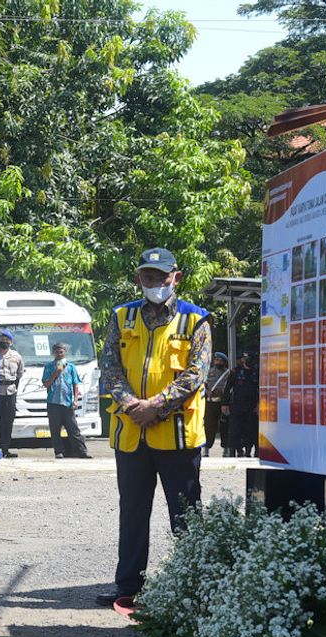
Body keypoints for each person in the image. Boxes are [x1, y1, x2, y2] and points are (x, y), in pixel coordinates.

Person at [95, 247, 211, 607]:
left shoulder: (197, 320)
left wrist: (156, 406)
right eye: (148, 276)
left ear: (175, 277)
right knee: (133, 513)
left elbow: (197, 373)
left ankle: (195, 590)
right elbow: (110, 366)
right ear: (138, 279)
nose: (155, 282)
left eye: (161, 276)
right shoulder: (121, 316)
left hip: (177, 437)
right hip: (131, 434)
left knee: (186, 515)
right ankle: (128, 587)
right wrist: (133, 405)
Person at [42, 342, 91, 459]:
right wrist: (56, 373)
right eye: (57, 352)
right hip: (53, 402)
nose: (59, 354)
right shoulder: (49, 366)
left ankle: (82, 451)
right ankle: (59, 452)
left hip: (67, 402)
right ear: (53, 353)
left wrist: (75, 400)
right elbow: (46, 383)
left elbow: (75, 384)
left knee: (73, 428)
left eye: (61, 352)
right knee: (55, 429)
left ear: (65, 353)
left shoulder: (71, 367)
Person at [222, 352, 259, 458]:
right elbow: (228, 388)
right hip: (237, 404)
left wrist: (258, 404)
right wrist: (225, 403)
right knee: (235, 429)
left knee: (250, 429)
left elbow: (261, 389)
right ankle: (235, 450)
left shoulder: (256, 372)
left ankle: (248, 451)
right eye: (245, 359)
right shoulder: (236, 372)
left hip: (252, 405)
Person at [0, 330, 23, 459]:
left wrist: (14, 388)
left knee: (8, 422)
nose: (4, 342)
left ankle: (5, 449)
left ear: (11, 342)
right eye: (2, 340)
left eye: (7, 340)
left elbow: (19, 374)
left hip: (10, 391)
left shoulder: (16, 356)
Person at [202, 352, 230, 458]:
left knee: (224, 426)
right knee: (209, 426)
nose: (218, 362)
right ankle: (206, 448)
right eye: (217, 360)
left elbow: (230, 386)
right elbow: (202, 384)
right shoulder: (208, 372)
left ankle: (226, 449)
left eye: (221, 361)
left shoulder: (228, 373)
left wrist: (223, 392)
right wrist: (206, 391)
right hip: (210, 403)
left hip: (223, 403)